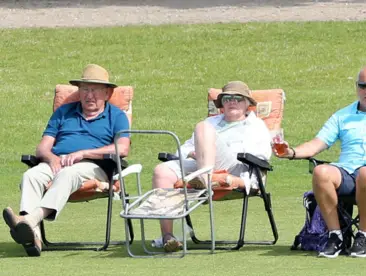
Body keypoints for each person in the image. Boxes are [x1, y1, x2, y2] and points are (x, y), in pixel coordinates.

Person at [273, 65, 366, 258]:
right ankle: (336, 237)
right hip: (348, 172)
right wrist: (290, 152)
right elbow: (317, 144)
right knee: (321, 172)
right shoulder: (342, 115)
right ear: (356, 87)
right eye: (363, 85)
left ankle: (363, 237)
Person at [2, 64, 131, 257]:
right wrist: (51, 158)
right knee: (31, 175)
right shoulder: (64, 112)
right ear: (79, 92)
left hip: (94, 167)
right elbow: (42, 147)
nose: (89, 95)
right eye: (85, 89)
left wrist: (83, 153)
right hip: (58, 162)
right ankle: (32, 237)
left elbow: (122, 148)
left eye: (95, 90)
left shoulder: (116, 116)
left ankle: (28, 220)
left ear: (107, 93)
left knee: (68, 173)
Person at [151, 81, 272, 252]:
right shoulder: (212, 121)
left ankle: (204, 178)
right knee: (161, 171)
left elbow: (262, 158)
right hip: (203, 165)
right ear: (222, 103)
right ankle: (168, 236)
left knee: (203, 128)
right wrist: (195, 153)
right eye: (227, 98)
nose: (232, 101)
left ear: (247, 104)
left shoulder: (256, 126)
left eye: (238, 98)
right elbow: (184, 149)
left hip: (234, 166)